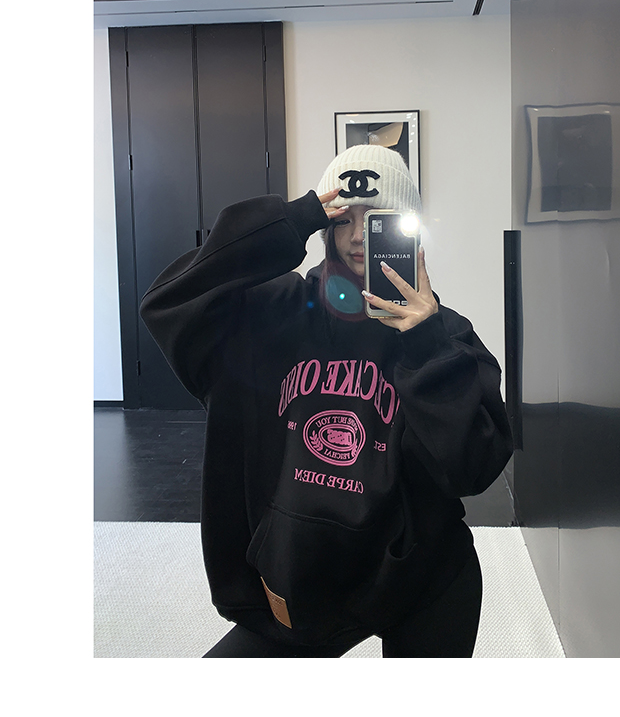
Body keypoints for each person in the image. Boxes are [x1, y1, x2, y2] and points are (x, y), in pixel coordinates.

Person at [140, 144, 514, 657]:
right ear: (325, 225)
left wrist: (425, 345)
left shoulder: (443, 335)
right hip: (300, 572)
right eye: (344, 218)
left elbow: (472, 469)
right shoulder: (272, 314)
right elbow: (169, 301)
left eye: (379, 221)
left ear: (410, 230)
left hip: (419, 577)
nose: (359, 236)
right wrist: (293, 219)